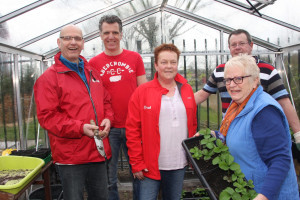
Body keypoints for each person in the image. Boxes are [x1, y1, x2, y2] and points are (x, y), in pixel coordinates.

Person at [34, 24, 114, 200]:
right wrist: (79, 128)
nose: (73, 42)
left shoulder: (92, 72)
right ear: (59, 42)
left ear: (83, 43)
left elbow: (106, 100)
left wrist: (108, 118)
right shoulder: (48, 78)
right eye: (68, 38)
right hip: (71, 156)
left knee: (101, 196)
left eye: (77, 38)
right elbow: (48, 117)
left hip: (97, 151)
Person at [194, 29, 300, 147]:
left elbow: (284, 102)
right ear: (229, 48)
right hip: (229, 133)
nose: (237, 47)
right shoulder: (220, 70)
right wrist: (176, 103)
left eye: (242, 43)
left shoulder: (267, 70)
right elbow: (203, 93)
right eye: (234, 45)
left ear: (251, 45)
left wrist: (298, 134)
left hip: (259, 135)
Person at [219, 54, 299, 199]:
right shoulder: (238, 104)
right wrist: (211, 136)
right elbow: (236, 132)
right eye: (228, 80)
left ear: (255, 80)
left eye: (238, 79)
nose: (231, 85)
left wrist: (263, 196)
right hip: (247, 190)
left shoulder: (264, 111)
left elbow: (280, 160)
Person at [126, 43, 198, 200]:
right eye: (164, 62)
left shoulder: (186, 89)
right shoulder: (142, 91)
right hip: (149, 165)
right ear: (156, 65)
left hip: (178, 163)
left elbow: (192, 124)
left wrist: (192, 156)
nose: (169, 66)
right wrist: (136, 162)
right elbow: (132, 130)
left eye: (173, 62)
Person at [89, 15, 147, 200]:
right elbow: (93, 96)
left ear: (121, 34)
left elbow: (143, 91)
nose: (111, 36)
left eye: (115, 32)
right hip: (108, 129)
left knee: (139, 173)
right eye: (106, 32)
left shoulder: (135, 58)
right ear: (100, 35)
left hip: (133, 127)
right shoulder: (94, 63)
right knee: (109, 177)